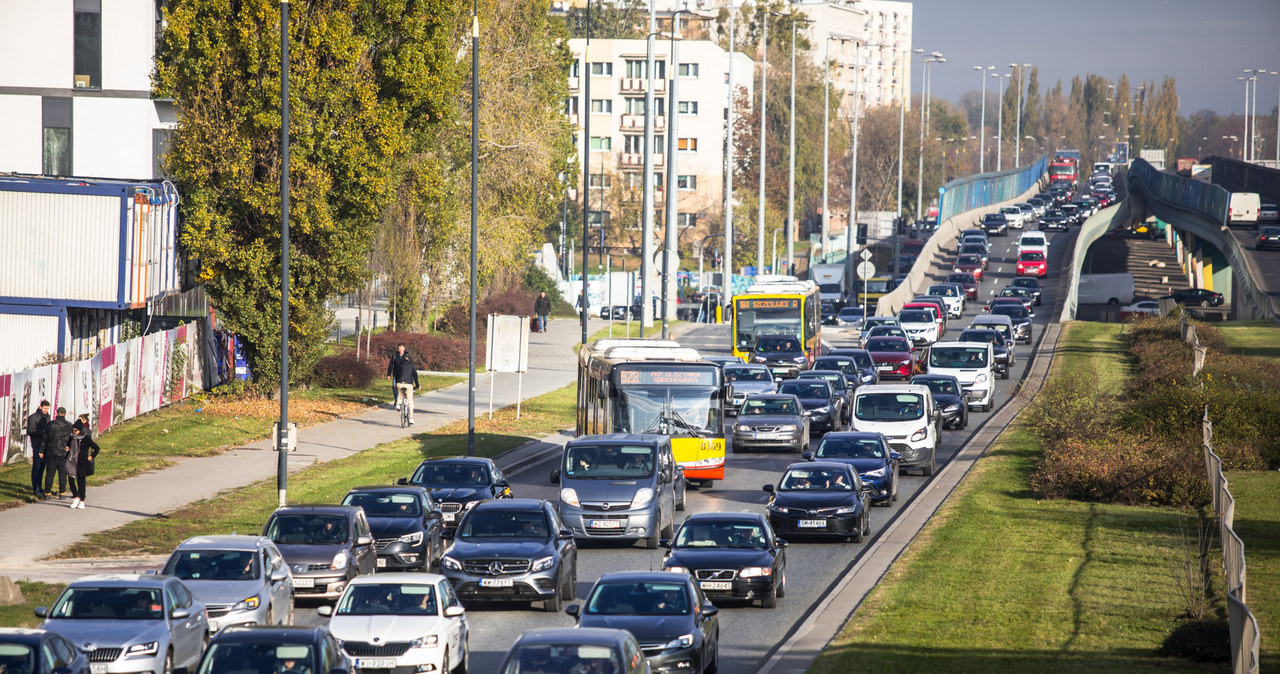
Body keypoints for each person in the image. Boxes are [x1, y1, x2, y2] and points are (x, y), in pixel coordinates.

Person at [40, 407, 74, 499]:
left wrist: (41, 450)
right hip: (64, 454)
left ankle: (47, 493)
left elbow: (45, 438)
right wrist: (69, 447)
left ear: (56, 413)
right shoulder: (69, 425)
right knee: (62, 474)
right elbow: (72, 439)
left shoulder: (50, 424)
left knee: (50, 473)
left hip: (51, 452)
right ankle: (62, 493)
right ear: (65, 414)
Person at [65, 424, 100, 509]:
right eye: (73, 431)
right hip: (72, 461)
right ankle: (76, 497)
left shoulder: (85, 439)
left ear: (80, 430)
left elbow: (96, 448)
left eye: (75, 431)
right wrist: (67, 448)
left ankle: (82, 500)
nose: (74, 432)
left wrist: (91, 456)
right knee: (71, 479)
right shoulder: (72, 437)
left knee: (81, 481)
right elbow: (68, 446)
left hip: (82, 462)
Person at [386, 343, 419, 425]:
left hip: (399, 379)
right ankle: (411, 417)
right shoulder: (396, 356)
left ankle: (398, 403)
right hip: (403, 378)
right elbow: (414, 374)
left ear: (404, 349)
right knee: (409, 399)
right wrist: (417, 384)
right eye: (399, 349)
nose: (400, 350)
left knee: (399, 389)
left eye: (401, 349)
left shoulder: (404, 360)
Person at [25, 400, 50, 499]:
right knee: (37, 466)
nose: (46, 410)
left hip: (46, 445)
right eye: (45, 408)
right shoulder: (33, 417)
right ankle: (35, 487)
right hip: (37, 445)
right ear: (40, 407)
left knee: (42, 467)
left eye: (47, 409)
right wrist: (43, 432)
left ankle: (40, 486)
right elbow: (30, 431)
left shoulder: (47, 416)